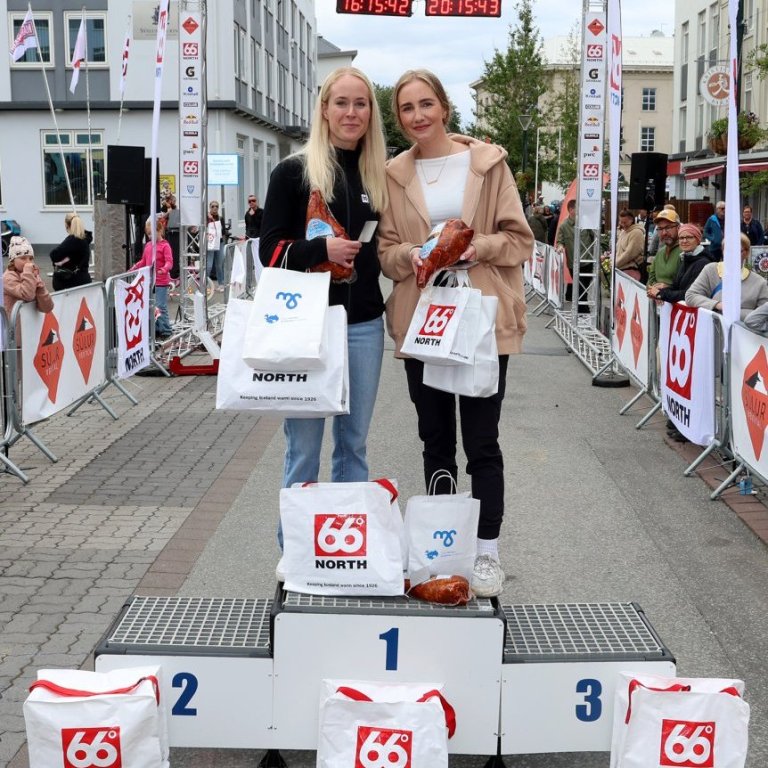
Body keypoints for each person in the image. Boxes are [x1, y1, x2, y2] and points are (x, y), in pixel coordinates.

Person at [378, 69, 533, 598]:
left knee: (482, 441)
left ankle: (487, 551)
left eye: (426, 104)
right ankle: (442, 551)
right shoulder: (393, 175)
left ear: (444, 106)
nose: (418, 116)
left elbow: (519, 240)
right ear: (398, 118)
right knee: (435, 438)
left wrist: (475, 248)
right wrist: (415, 255)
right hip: (424, 319)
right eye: (406, 109)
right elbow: (386, 253)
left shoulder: (487, 165)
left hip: (481, 318)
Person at [259, 66, 389, 497]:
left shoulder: (378, 175)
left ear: (371, 112)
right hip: (306, 326)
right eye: (342, 103)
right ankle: (295, 551)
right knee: (304, 448)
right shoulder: (294, 172)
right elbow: (270, 253)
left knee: (353, 444)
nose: (352, 112)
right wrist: (322, 251)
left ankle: (342, 546)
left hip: (363, 326)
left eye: (361, 103)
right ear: (324, 110)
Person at [686, 232, 768, 319]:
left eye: (736, 250)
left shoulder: (759, 282)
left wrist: (735, 312)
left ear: (746, 253)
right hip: (711, 329)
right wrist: (717, 305)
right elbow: (691, 296)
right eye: (728, 250)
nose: (731, 254)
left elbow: (764, 315)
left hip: (743, 331)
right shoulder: (711, 270)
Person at [130, 217, 173, 339]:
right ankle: (156, 329)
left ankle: (166, 330)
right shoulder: (148, 245)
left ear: (159, 231)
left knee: (160, 306)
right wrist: (133, 268)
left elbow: (170, 262)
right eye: (148, 234)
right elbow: (143, 261)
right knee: (151, 307)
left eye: (152, 233)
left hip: (160, 282)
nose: (149, 236)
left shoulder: (165, 246)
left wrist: (164, 269)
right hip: (149, 282)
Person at [648, 224, 710, 306]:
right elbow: (676, 286)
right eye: (681, 238)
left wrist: (661, 294)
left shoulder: (703, 263)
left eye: (689, 237)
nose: (684, 241)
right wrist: (659, 289)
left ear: (698, 240)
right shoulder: (686, 258)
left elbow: (689, 294)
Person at [556, 198, 596, 309]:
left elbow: (595, 238)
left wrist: (599, 253)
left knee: (583, 288)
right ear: (571, 210)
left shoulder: (586, 222)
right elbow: (560, 241)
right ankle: (582, 311)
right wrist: (559, 247)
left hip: (587, 260)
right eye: (578, 208)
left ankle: (583, 311)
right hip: (573, 263)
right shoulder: (564, 226)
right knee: (579, 288)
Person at [3, 236, 53, 317]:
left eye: (30, 258)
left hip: (29, 323)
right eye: (23, 258)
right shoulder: (8, 277)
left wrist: (40, 286)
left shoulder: (29, 274)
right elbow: (27, 296)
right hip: (14, 326)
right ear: (12, 260)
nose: (28, 262)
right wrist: (29, 273)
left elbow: (47, 308)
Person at [49, 212, 93, 291]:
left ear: (67, 225)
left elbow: (54, 255)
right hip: (83, 280)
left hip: (71, 284)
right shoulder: (84, 239)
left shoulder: (73, 240)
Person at [646, 208, 681, 292]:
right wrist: (653, 290)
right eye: (660, 229)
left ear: (678, 228)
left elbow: (687, 286)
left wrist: (666, 290)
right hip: (659, 301)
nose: (664, 233)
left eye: (668, 227)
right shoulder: (660, 252)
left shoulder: (685, 251)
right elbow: (650, 279)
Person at [614, 208, 645, 282]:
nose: (623, 224)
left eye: (625, 222)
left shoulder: (636, 233)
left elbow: (629, 253)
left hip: (631, 271)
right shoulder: (623, 232)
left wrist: (615, 264)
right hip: (621, 270)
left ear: (631, 220)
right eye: (621, 222)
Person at [207, 201, 230, 290]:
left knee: (219, 264)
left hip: (220, 243)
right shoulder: (207, 217)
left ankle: (221, 283)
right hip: (210, 243)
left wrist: (224, 244)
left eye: (216, 206)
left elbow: (223, 232)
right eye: (213, 206)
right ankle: (206, 284)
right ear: (210, 207)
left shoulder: (220, 218)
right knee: (209, 265)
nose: (215, 208)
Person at [164, 194, 181, 280]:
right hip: (167, 234)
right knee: (168, 252)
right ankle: (169, 271)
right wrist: (168, 212)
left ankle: (175, 272)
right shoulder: (164, 209)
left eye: (174, 200)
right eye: (171, 200)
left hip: (177, 233)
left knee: (176, 253)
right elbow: (161, 218)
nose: (173, 202)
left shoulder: (178, 211)